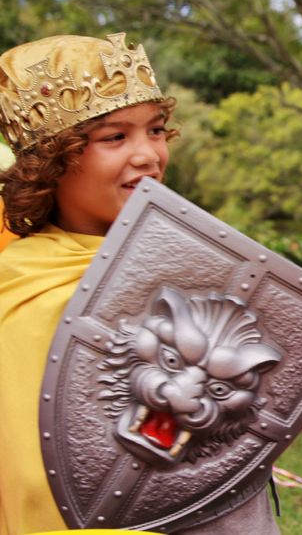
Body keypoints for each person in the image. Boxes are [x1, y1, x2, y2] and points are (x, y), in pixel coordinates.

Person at [0, 33, 277, 534]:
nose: (149, 154)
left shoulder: (190, 260)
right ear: (52, 160)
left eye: (155, 130)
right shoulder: (27, 288)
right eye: (115, 137)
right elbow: (38, 471)